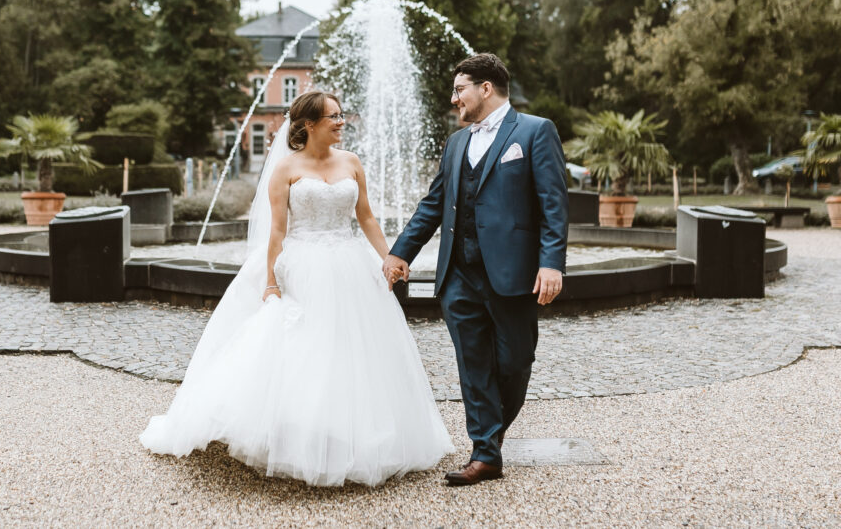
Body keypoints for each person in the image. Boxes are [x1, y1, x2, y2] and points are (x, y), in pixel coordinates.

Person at [140, 91, 453, 486]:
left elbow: (368, 218)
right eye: (333, 117)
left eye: (341, 116)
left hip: (348, 263)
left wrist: (391, 257)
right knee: (304, 347)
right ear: (308, 124)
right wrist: (271, 282)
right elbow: (277, 230)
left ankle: (349, 433)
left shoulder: (352, 162)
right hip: (303, 264)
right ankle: (298, 433)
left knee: (352, 348)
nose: (341, 122)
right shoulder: (286, 169)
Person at [382, 53, 569, 487]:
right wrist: (400, 253)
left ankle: (490, 438)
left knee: (515, 361)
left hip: (513, 275)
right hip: (458, 277)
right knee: (473, 365)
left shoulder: (535, 132)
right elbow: (432, 206)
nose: (454, 99)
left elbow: (553, 206)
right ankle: (485, 454)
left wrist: (551, 263)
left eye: (459, 89)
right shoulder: (456, 143)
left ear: (486, 88)